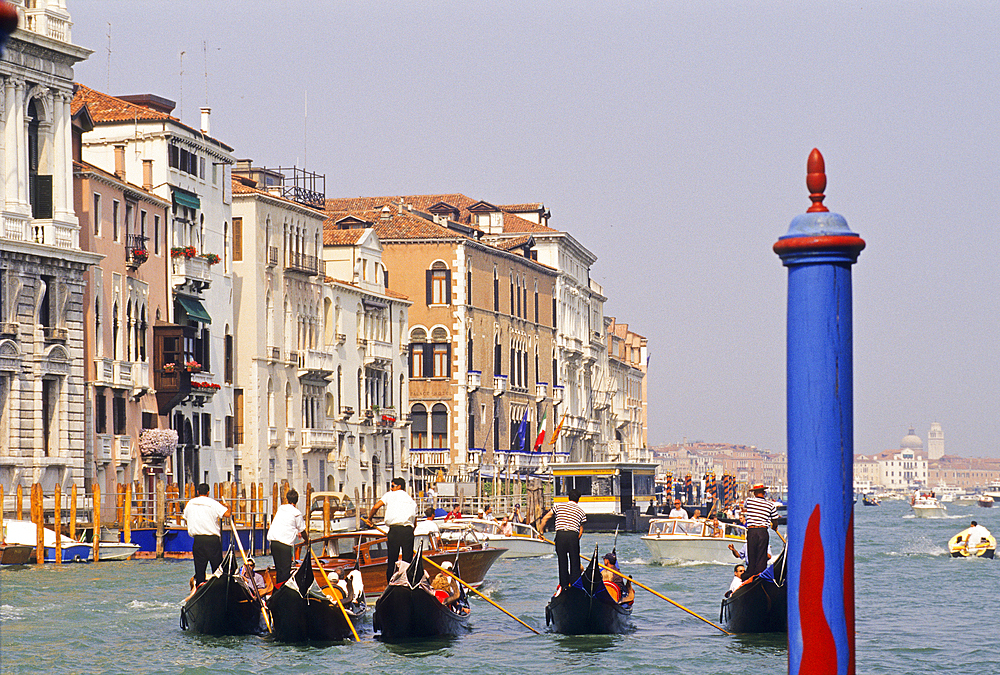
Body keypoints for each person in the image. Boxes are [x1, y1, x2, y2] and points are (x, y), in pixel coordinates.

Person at [368, 477, 417, 583]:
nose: (391, 488)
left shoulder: (390, 495)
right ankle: (407, 582)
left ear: (398, 486)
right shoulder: (410, 500)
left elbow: (376, 507)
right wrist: (409, 532)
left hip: (395, 531)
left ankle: (390, 582)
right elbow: (415, 522)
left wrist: (369, 519)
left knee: (392, 560)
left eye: (392, 486)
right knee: (407, 561)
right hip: (408, 531)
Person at [538, 488, 587, 590]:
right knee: (574, 562)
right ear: (578, 499)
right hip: (573, 536)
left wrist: (541, 532)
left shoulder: (558, 507)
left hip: (560, 536)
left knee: (562, 561)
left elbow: (545, 519)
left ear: (568, 497)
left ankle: (564, 586)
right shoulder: (581, 512)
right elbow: (581, 530)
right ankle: (575, 585)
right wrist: (574, 540)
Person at [183, 483, 231, 586]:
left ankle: (200, 586)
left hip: (198, 541)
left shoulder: (190, 503)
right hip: (212, 541)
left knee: (200, 570)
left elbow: (186, 517)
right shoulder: (213, 503)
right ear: (208, 492)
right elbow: (227, 514)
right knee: (217, 569)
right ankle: (219, 588)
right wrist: (228, 507)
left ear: (197, 492)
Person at [267, 488, 308, 585]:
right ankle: (282, 593)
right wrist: (307, 540)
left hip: (274, 542)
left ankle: (278, 592)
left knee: (279, 570)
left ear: (287, 499)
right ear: (296, 501)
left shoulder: (281, 509)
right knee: (285, 571)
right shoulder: (297, 513)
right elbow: (302, 531)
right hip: (284, 544)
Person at [742, 484, 779, 580]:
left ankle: (750, 573)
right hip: (762, 531)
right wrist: (775, 527)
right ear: (764, 493)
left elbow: (745, 506)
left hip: (752, 531)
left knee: (752, 553)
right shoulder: (771, 505)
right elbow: (775, 521)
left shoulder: (749, 501)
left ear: (754, 493)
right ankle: (760, 574)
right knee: (762, 555)